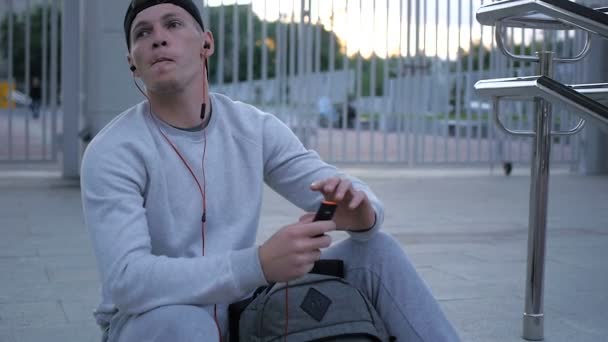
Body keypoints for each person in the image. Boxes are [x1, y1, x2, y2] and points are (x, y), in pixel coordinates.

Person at [80, 1, 460, 341]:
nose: (158, 39)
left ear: (206, 44)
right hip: (155, 321)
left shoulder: (251, 126)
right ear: (132, 60)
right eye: (143, 33)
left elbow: (329, 182)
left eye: (173, 24)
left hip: (245, 305)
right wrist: (258, 263)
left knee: (378, 251)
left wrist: (362, 212)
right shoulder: (113, 150)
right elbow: (127, 281)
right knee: (185, 323)